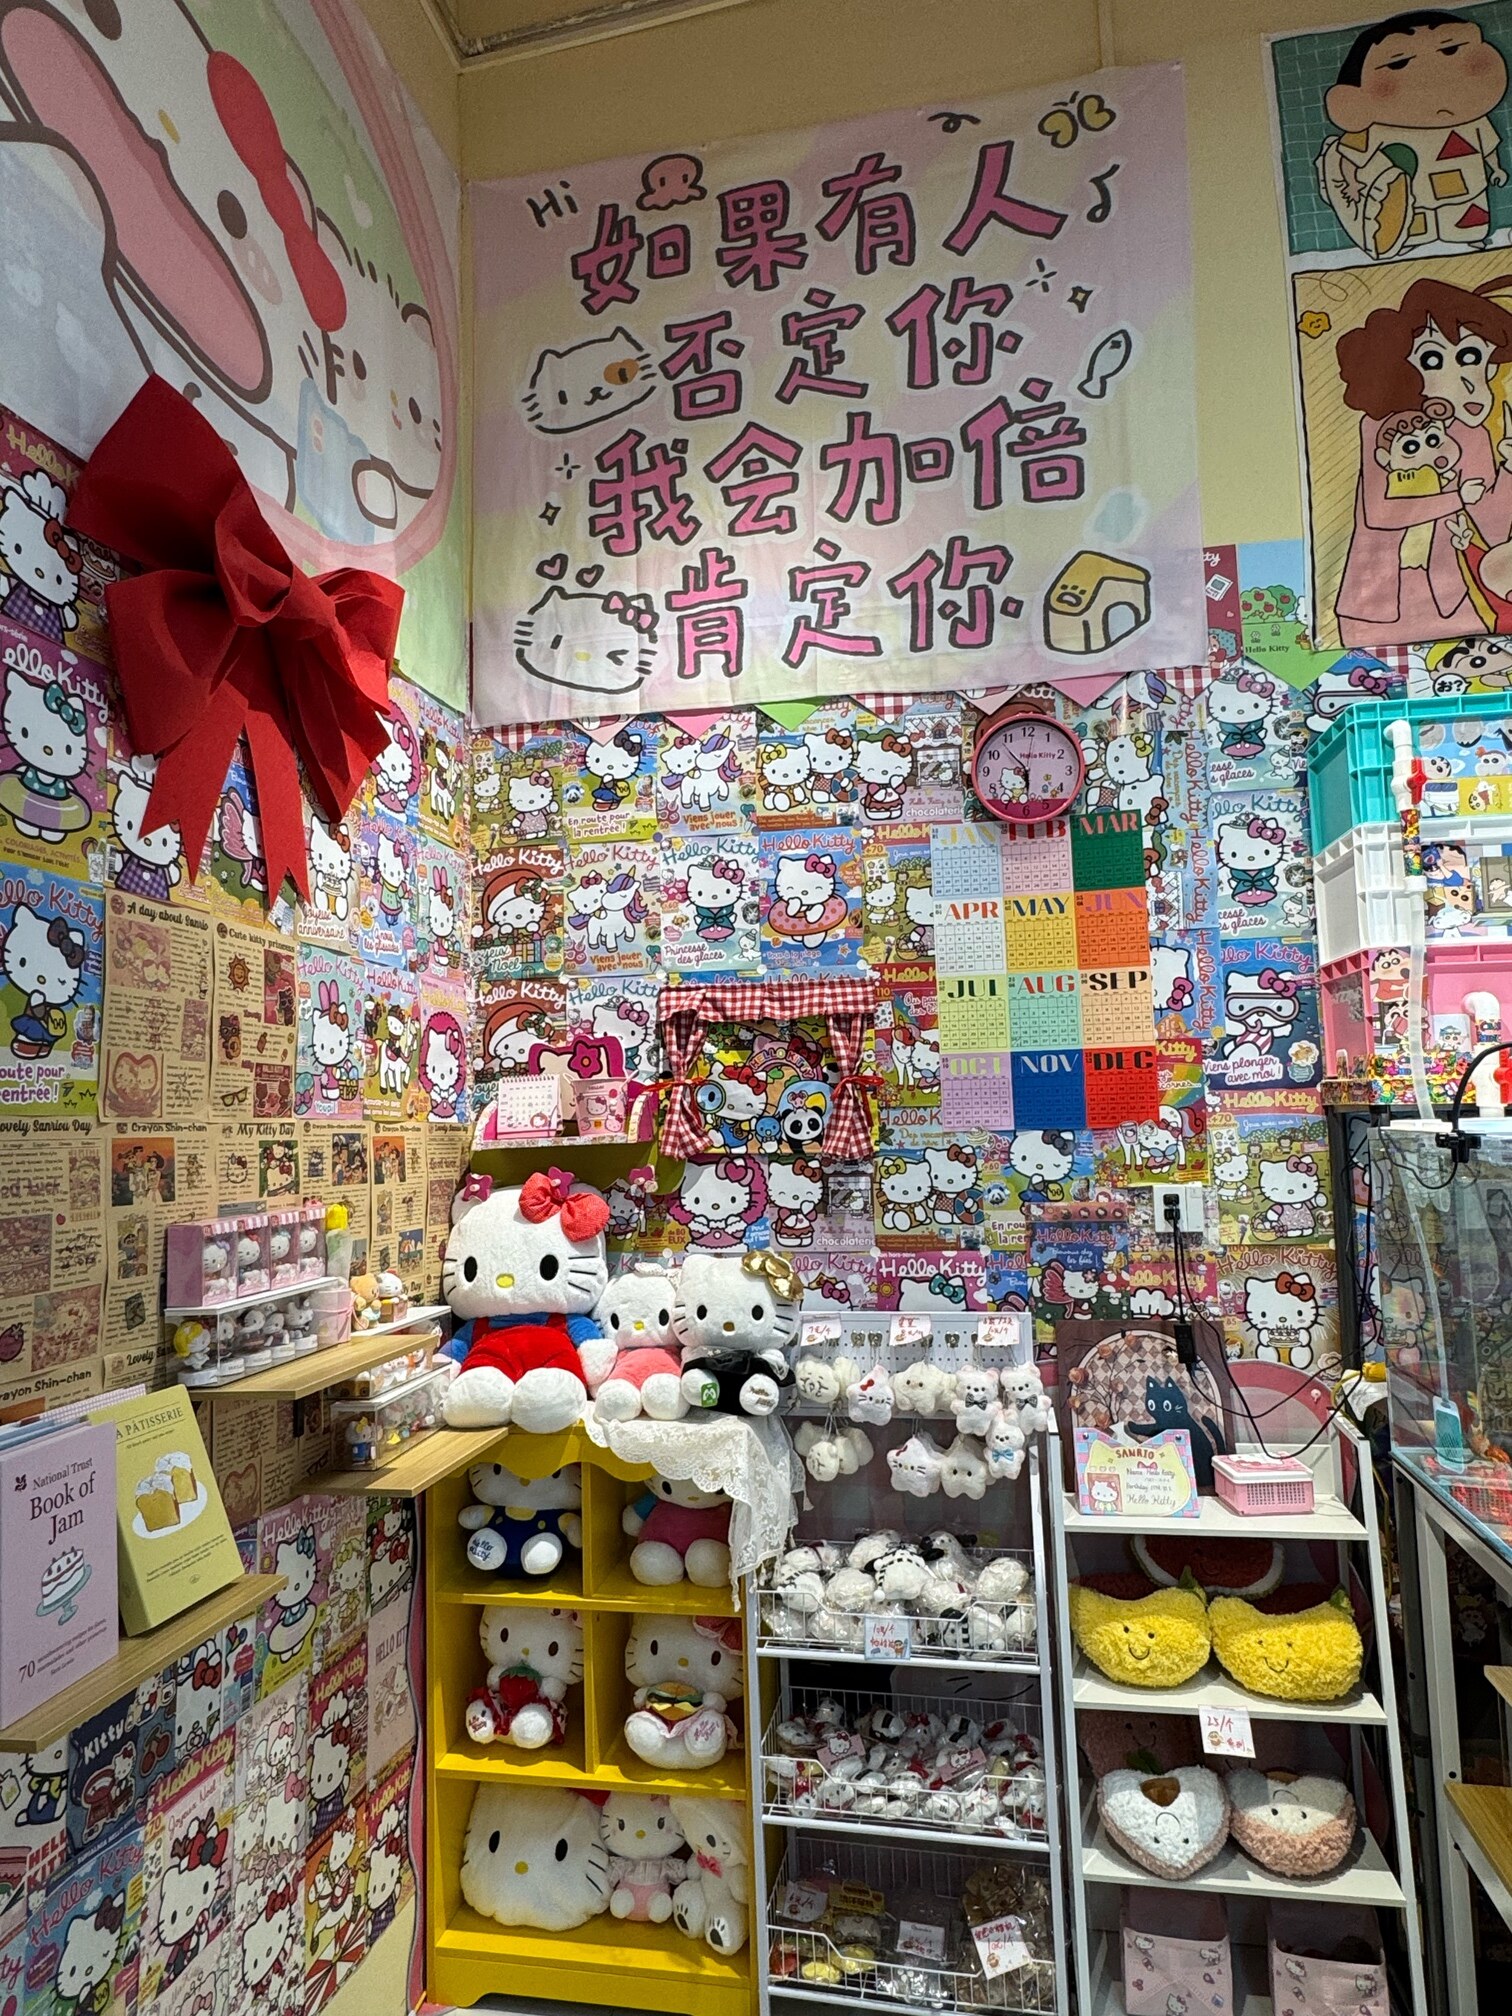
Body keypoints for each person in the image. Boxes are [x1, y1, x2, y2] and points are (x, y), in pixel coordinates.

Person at [1335, 274, 1512, 645]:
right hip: (1380, 601)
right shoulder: (1384, 426)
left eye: (1471, 357)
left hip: (1460, 598)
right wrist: (1459, 497)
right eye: (1433, 359)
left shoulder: (1474, 435)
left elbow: (1492, 529)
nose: (1465, 383)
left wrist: (1509, 470)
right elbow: (1381, 512)